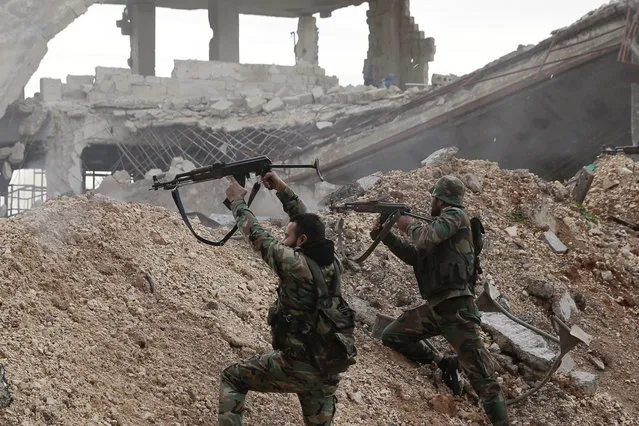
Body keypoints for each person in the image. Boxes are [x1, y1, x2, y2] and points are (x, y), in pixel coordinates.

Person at [219, 172, 356, 426]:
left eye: (288, 236)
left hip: (298, 365)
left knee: (232, 379)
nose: (284, 240)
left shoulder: (294, 264)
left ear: (302, 240)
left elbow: (257, 236)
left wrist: (238, 201)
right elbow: (307, 222)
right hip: (327, 367)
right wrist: (282, 189)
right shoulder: (332, 259)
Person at [371, 175, 509, 425]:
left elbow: (422, 237)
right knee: (393, 336)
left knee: (484, 380)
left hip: (457, 311)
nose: (431, 202)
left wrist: (405, 223)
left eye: (433, 197)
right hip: (437, 308)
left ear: (442, 199)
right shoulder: (439, 229)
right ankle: (444, 363)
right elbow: (415, 257)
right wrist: (385, 236)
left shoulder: (455, 216)